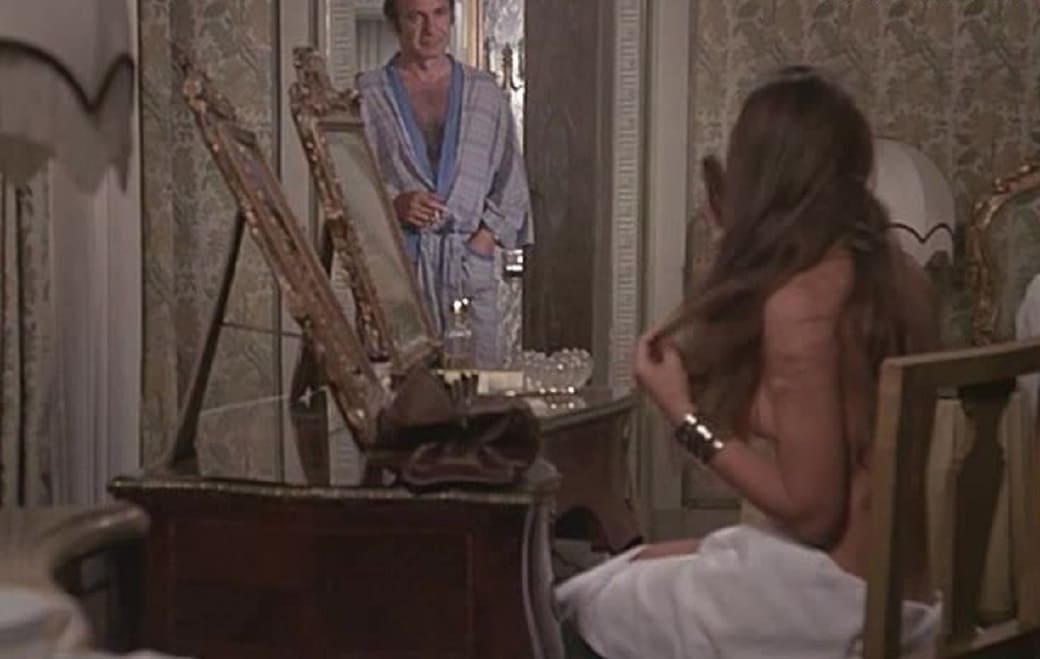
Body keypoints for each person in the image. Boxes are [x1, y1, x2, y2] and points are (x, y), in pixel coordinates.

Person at [556, 66, 942, 658]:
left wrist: (682, 414)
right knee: (624, 567)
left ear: (764, 178)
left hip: (835, 609)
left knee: (577, 609)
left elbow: (812, 513)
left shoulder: (801, 306)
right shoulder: (904, 283)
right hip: (902, 598)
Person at [357, 0, 531, 368]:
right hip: (399, 268)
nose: (430, 29)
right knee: (402, 388)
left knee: (475, 388)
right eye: (415, 17)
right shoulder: (369, 95)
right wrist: (394, 205)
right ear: (395, 24)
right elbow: (350, 184)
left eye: (439, 14)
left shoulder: (485, 93)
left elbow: (511, 181)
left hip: (466, 267)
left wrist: (482, 241)